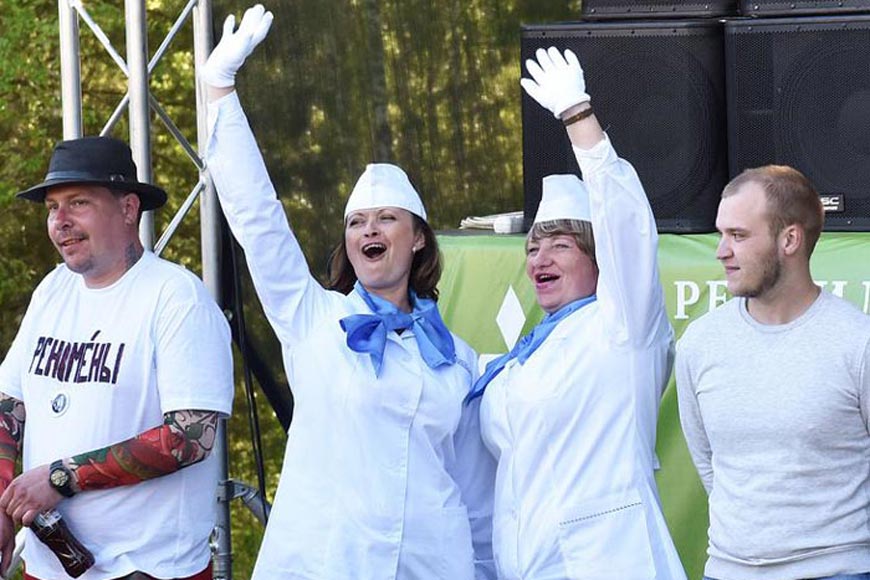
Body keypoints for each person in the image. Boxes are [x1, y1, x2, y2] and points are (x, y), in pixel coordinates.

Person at [200, 5, 495, 579]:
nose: (368, 230)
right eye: (357, 222)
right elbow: (259, 220)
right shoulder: (312, 318)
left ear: (417, 239)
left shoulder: (456, 359)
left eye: (386, 218)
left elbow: (473, 493)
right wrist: (220, 91)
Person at [467, 47, 686, 579]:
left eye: (560, 245)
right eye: (533, 248)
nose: (540, 258)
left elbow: (626, 226)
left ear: (597, 257)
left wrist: (578, 117)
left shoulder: (622, 327)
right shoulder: (516, 361)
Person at [0, 136, 234, 579]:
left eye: (78, 203)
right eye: (52, 208)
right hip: (48, 567)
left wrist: (60, 478)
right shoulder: (53, 290)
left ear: (128, 209)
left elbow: (190, 437)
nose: (60, 221)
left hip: (149, 569)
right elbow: (8, 404)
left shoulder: (177, 297)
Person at [676, 166, 870, 580]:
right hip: (726, 570)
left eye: (738, 235)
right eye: (721, 234)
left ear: (790, 240)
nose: (721, 251)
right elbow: (710, 463)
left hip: (839, 570)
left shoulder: (857, 342)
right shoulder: (701, 342)